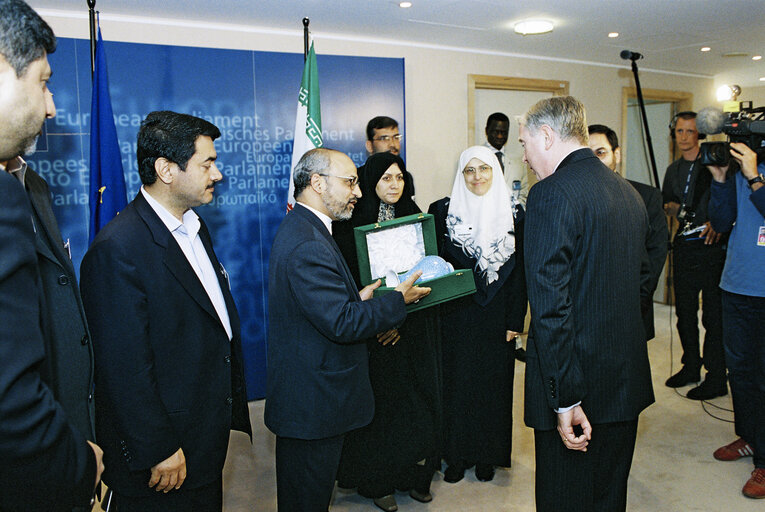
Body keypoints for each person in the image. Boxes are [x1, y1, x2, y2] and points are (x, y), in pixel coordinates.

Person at [80, 111, 252, 511]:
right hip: (162, 458)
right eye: (207, 163)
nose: (218, 174)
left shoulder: (194, 227)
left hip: (201, 441)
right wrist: (157, 446)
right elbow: (123, 367)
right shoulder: (118, 249)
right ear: (166, 170)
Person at [265, 148, 430, 512]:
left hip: (313, 398)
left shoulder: (309, 229)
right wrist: (396, 301)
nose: (358, 191)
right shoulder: (308, 241)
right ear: (318, 183)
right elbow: (341, 323)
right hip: (312, 405)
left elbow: (325, 308)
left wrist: (358, 298)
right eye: (350, 182)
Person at [520, 96, 654, 512]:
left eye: (524, 143)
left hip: (576, 389)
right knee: (609, 498)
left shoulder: (550, 194)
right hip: (622, 384)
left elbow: (550, 307)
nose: (523, 156)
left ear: (546, 135)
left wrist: (565, 400)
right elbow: (639, 284)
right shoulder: (630, 193)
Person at [0, 0, 104, 509]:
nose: (52, 107)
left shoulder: (28, 187)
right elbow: (9, 397)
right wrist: (79, 464)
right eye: (43, 81)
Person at [333, 152, 441, 512]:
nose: (394, 185)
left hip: (411, 329)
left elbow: (430, 276)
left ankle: (411, 474)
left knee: (413, 406)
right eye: (385, 179)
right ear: (370, 183)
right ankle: (377, 480)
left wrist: (401, 322)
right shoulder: (351, 223)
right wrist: (383, 319)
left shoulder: (416, 215)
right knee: (380, 408)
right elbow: (349, 283)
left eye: (399, 178)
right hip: (373, 335)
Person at [428, 145, 527, 484]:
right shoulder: (442, 212)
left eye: (483, 169)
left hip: (498, 318)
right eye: (469, 170)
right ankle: (456, 456)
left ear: (495, 172)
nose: (476, 177)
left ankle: (488, 456)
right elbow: (432, 265)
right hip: (456, 314)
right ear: (460, 174)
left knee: (493, 387)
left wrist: (516, 320)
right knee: (456, 385)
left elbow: (522, 271)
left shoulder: (515, 213)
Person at [706, 142, 765, 498]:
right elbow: (721, 221)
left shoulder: (753, 171)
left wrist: (754, 177)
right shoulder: (742, 170)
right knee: (740, 372)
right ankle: (750, 436)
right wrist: (720, 179)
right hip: (735, 285)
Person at [662, 111, 728, 400]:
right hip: (685, 246)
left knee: (713, 316)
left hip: (711, 248)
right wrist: (674, 209)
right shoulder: (673, 169)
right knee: (684, 312)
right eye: (679, 131)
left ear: (699, 133)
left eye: (690, 131)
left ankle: (715, 377)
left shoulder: (714, 162)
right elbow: (666, 203)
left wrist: (719, 223)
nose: (684, 137)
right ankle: (690, 366)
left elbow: (728, 200)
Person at [588, 123, 668, 340]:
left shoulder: (646, 197)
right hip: (587, 313)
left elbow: (656, 253)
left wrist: (637, 303)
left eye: (601, 153)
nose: (594, 161)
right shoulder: (573, 199)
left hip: (632, 308)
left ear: (617, 154)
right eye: (588, 154)